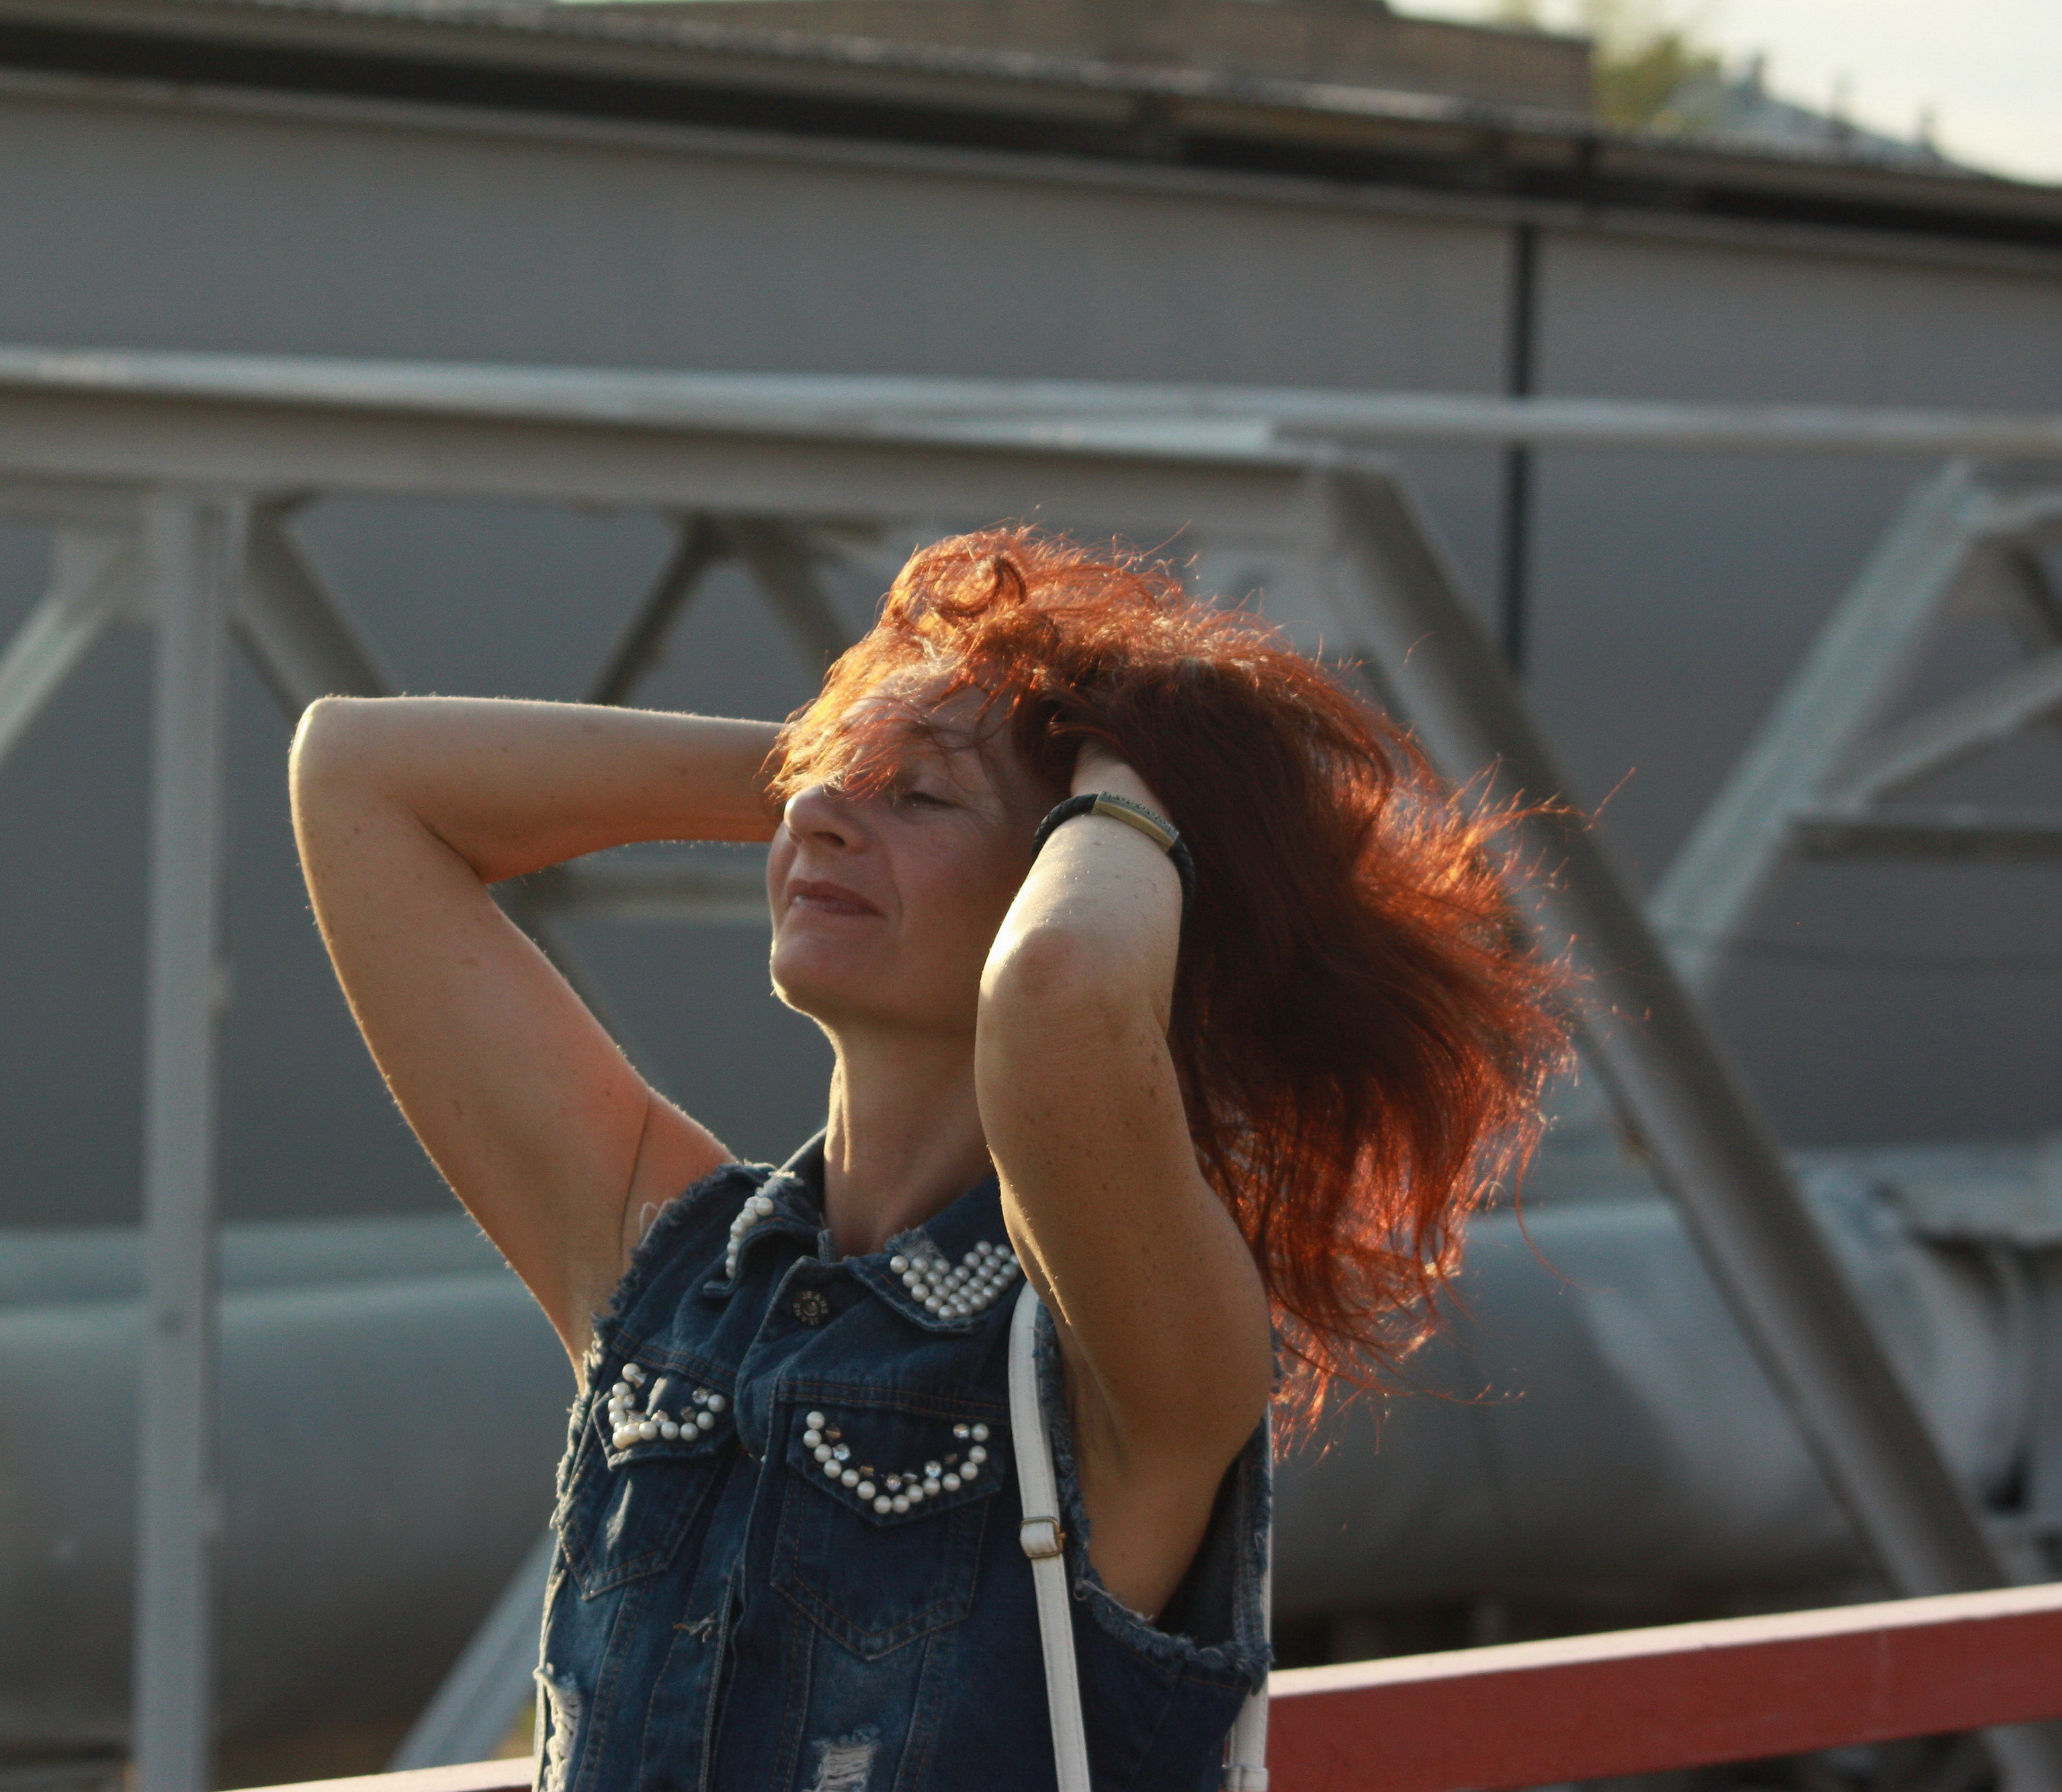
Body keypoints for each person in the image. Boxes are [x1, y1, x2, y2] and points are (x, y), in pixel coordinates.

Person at [289, 527, 1567, 1792]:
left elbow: (1060, 992)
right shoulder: (673, 1276)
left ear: (1071, 866)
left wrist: (1158, 764)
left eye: (921, 799)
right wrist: (839, 763)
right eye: (829, 782)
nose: (821, 815)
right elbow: (357, 773)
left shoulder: (1119, 1349)